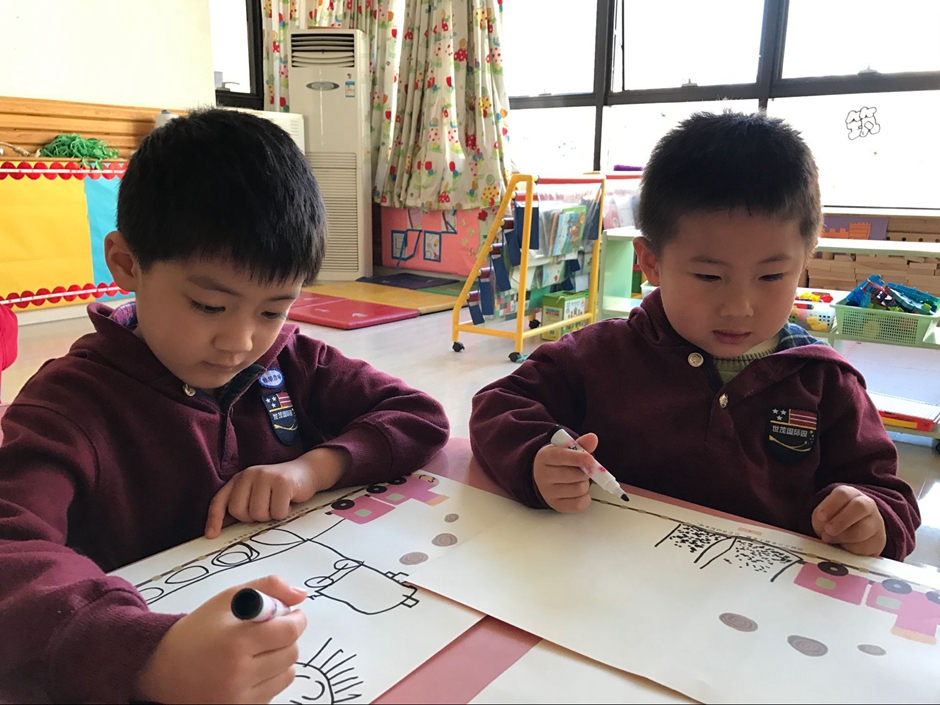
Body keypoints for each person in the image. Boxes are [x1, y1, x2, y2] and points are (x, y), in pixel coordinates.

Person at [0, 108, 449, 703]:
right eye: (210, 307)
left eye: (273, 309)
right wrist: (146, 658)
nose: (240, 342)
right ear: (127, 264)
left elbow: (417, 414)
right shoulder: (68, 405)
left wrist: (313, 469)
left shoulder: (291, 361)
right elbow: (11, 546)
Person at [470, 111, 919, 563]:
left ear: (804, 262)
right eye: (709, 276)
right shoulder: (599, 355)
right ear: (651, 263)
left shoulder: (827, 383)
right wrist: (536, 459)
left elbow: (887, 497)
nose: (739, 307)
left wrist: (872, 520)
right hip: (613, 578)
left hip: (762, 595)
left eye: (771, 276)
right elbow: (497, 406)